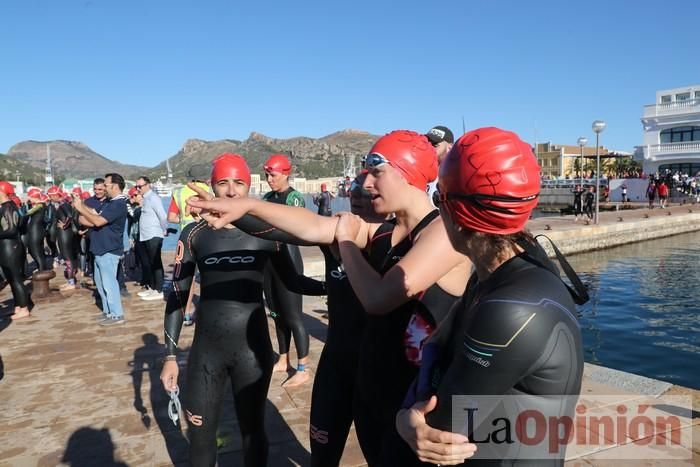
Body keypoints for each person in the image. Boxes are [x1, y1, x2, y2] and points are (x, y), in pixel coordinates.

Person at [187, 130, 470, 465]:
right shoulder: (382, 231)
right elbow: (309, 226)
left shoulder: (445, 232)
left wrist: (346, 242)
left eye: (376, 173)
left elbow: (378, 298)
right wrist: (245, 206)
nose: (366, 184)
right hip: (371, 385)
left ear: (407, 172)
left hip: (417, 400)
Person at [395, 127, 584, 466]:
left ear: (454, 211)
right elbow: (439, 341)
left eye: (439, 199)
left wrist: (403, 419)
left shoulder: (511, 308)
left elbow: (438, 430)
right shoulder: (504, 272)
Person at [159, 153, 326, 467]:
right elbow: (179, 297)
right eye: (223, 183)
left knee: (253, 431)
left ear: (250, 187)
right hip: (206, 352)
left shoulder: (266, 234)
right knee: (200, 437)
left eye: (239, 183)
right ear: (212, 186)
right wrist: (169, 355)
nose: (232, 191)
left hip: (252, 351)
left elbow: (293, 280)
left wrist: (335, 286)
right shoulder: (194, 235)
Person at [262, 154, 311, 387]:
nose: (269, 179)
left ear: (285, 173)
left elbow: (294, 227)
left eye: (273, 175)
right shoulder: (267, 198)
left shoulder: (294, 198)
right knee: (276, 315)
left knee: (293, 317)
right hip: (269, 263)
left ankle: (303, 367)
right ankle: (284, 359)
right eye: (267, 175)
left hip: (288, 260)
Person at [73, 173, 128, 325]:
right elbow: (92, 217)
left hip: (109, 249)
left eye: (106, 185)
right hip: (100, 248)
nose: (104, 187)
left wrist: (80, 208)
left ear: (115, 186)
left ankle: (117, 314)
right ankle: (108, 311)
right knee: (101, 283)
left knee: (109, 283)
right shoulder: (110, 203)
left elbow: (97, 221)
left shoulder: (118, 204)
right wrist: (82, 206)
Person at [166, 164, 211, 325]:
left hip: (186, 238)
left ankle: (185, 314)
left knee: (188, 278)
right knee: (207, 277)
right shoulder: (210, 192)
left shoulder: (178, 192)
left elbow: (171, 217)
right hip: (208, 237)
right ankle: (206, 311)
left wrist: (185, 221)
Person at [0, 181, 31, 319]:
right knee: (11, 278)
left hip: (10, 245)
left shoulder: (8, 207)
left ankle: (24, 308)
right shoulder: (7, 206)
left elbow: (12, 229)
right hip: (7, 245)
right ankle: (18, 306)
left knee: (16, 278)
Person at [136, 176, 168, 301]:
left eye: (140, 186)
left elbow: (163, 216)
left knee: (156, 262)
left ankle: (159, 290)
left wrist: (164, 230)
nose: (138, 189)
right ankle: (153, 288)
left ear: (148, 185)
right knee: (149, 262)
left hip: (154, 234)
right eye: (136, 187)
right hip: (146, 235)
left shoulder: (153, 198)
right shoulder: (145, 199)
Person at [56, 188, 81, 290]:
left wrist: (64, 226)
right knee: (69, 258)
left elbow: (70, 216)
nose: (50, 197)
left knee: (67, 258)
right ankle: (71, 281)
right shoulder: (64, 204)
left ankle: (71, 283)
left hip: (64, 234)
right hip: (66, 234)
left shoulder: (63, 204)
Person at [425, 125, 455, 207]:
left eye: (434, 145)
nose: (429, 148)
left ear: (449, 148)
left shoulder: (457, 178)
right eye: (427, 144)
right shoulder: (423, 174)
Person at [23, 188, 50, 271]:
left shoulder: (39, 205)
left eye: (30, 197)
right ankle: (41, 268)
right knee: (39, 252)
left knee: (34, 251)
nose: (29, 199)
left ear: (33, 197)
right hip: (38, 231)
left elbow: (26, 214)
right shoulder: (41, 205)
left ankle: (42, 271)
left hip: (35, 232)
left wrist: (24, 204)